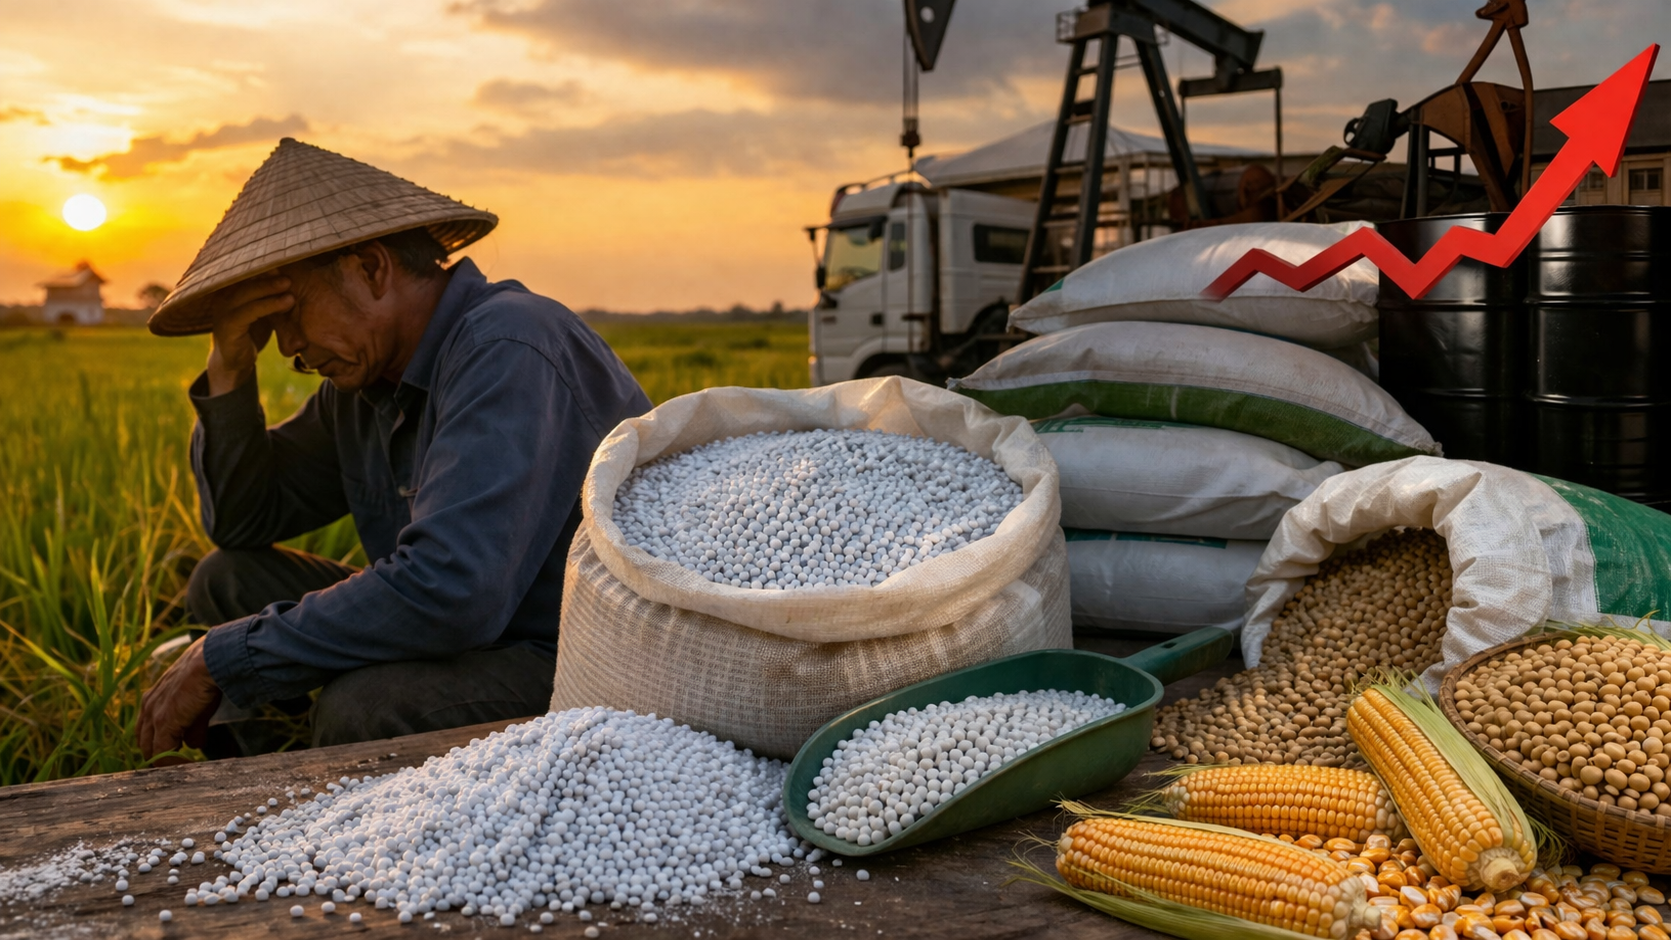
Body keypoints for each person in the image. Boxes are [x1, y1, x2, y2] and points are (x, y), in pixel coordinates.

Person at [136, 138, 650, 760]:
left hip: (575, 654)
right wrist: (229, 371)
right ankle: (268, 779)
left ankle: (306, 805)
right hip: (473, 634)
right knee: (228, 582)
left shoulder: (509, 343)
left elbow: (454, 590)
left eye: (289, 311)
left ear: (372, 269)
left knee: (367, 706)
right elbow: (242, 522)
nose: (288, 348)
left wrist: (225, 657)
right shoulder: (362, 385)